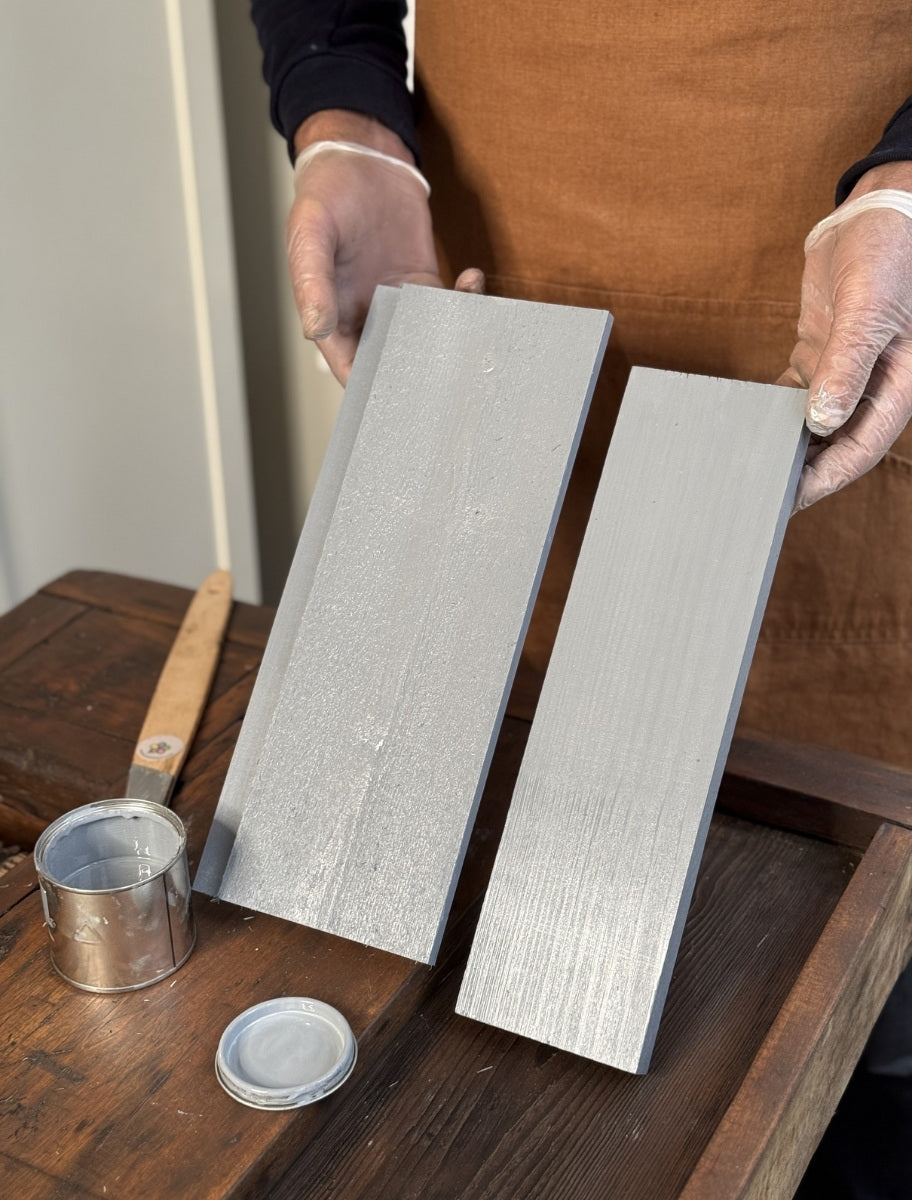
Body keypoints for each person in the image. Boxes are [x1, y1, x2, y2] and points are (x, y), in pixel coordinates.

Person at [248, 2, 912, 1194]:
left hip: (863, 291)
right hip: (503, 261)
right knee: (483, 1058)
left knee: (855, 1061)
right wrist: (339, 104)